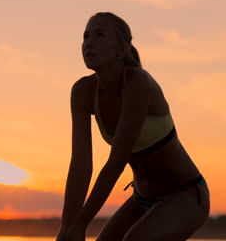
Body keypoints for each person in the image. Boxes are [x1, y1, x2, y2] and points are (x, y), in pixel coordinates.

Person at [56, 12, 210, 241]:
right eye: (85, 36)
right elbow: (80, 165)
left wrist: (81, 223)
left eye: (99, 35)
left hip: (185, 194)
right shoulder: (82, 92)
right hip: (142, 198)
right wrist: (67, 227)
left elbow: (117, 160)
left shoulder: (137, 83)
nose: (89, 42)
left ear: (120, 47)